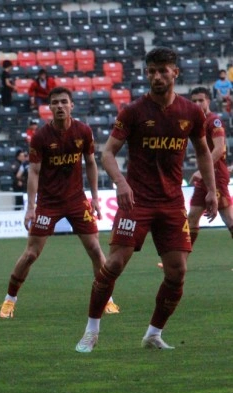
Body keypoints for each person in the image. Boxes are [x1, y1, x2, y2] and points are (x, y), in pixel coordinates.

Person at [74, 47, 218, 353]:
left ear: (175, 73)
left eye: (163, 70)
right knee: (113, 263)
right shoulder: (134, 111)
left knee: (177, 271)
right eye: (151, 71)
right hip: (136, 202)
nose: (156, 76)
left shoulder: (191, 113)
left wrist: (212, 190)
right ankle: (91, 330)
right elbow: (107, 153)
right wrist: (121, 183)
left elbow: (204, 152)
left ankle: (153, 333)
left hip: (171, 203)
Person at [0, 87, 120, 319]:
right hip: (49, 202)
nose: (60, 106)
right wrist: (31, 207)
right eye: (55, 103)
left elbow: (91, 163)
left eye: (64, 102)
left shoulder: (83, 131)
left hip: (76, 200)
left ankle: (107, 299)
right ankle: (9, 300)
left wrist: (94, 197)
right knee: (31, 254)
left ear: (72, 106)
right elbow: (33, 171)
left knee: (95, 249)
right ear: (49, 107)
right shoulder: (41, 137)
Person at [186, 87, 233, 243]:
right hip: (206, 176)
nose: (197, 103)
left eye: (201, 100)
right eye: (194, 101)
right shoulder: (195, 122)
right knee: (192, 217)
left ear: (208, 101)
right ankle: (181, 262)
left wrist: (201, 171)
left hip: (216, 175)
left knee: (229, 219)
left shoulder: (214, 121)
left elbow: (219, 149)